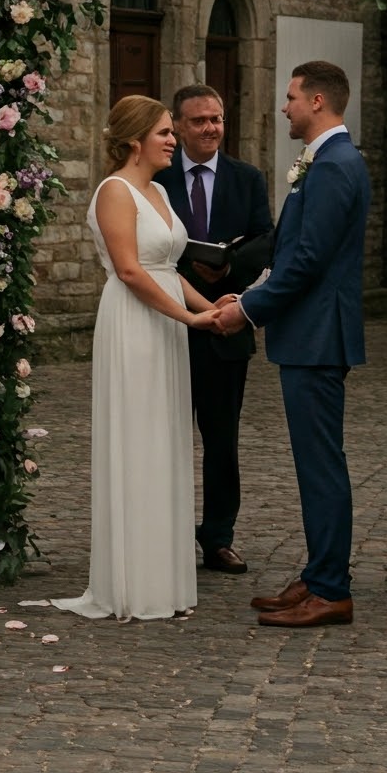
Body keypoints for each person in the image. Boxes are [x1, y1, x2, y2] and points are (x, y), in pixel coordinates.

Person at [214, 61, 372, 629]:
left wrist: (246, 311)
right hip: (308, 333)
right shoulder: (325, 162)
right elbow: (290, 253)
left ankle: (331, 589)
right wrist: (249, 291)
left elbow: (307, 261)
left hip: (317, 335)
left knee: (321, 464)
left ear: (319, 101)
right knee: (314, 464)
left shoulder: (334, 166)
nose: (283, 108)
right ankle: (318, 573)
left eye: (290, 98)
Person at [54, 97, 222, 621]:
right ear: (134, 141)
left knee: (166, 439)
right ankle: (131, 581)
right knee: (137, 437)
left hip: (165, 321)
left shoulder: (161, 191)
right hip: (133, 323)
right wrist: (188, 318)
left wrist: (209, 306)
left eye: (172, 132)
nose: (174, 140)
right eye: (165, 133)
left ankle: (163, 578)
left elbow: (170, 268)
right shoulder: (115, 191)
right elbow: (130, 270)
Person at [155, 83, 274, 576]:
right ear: (179, 126)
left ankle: (218, 537)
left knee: (221, 440)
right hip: (168, 326)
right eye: (200, 120)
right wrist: (189, 265)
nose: (210, 128)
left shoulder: (247, 178)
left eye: (217, 119)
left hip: (225, 323)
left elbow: (267, 237)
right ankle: (163, 533)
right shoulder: (157, 180)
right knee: (164, 437)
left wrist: (227, 268)